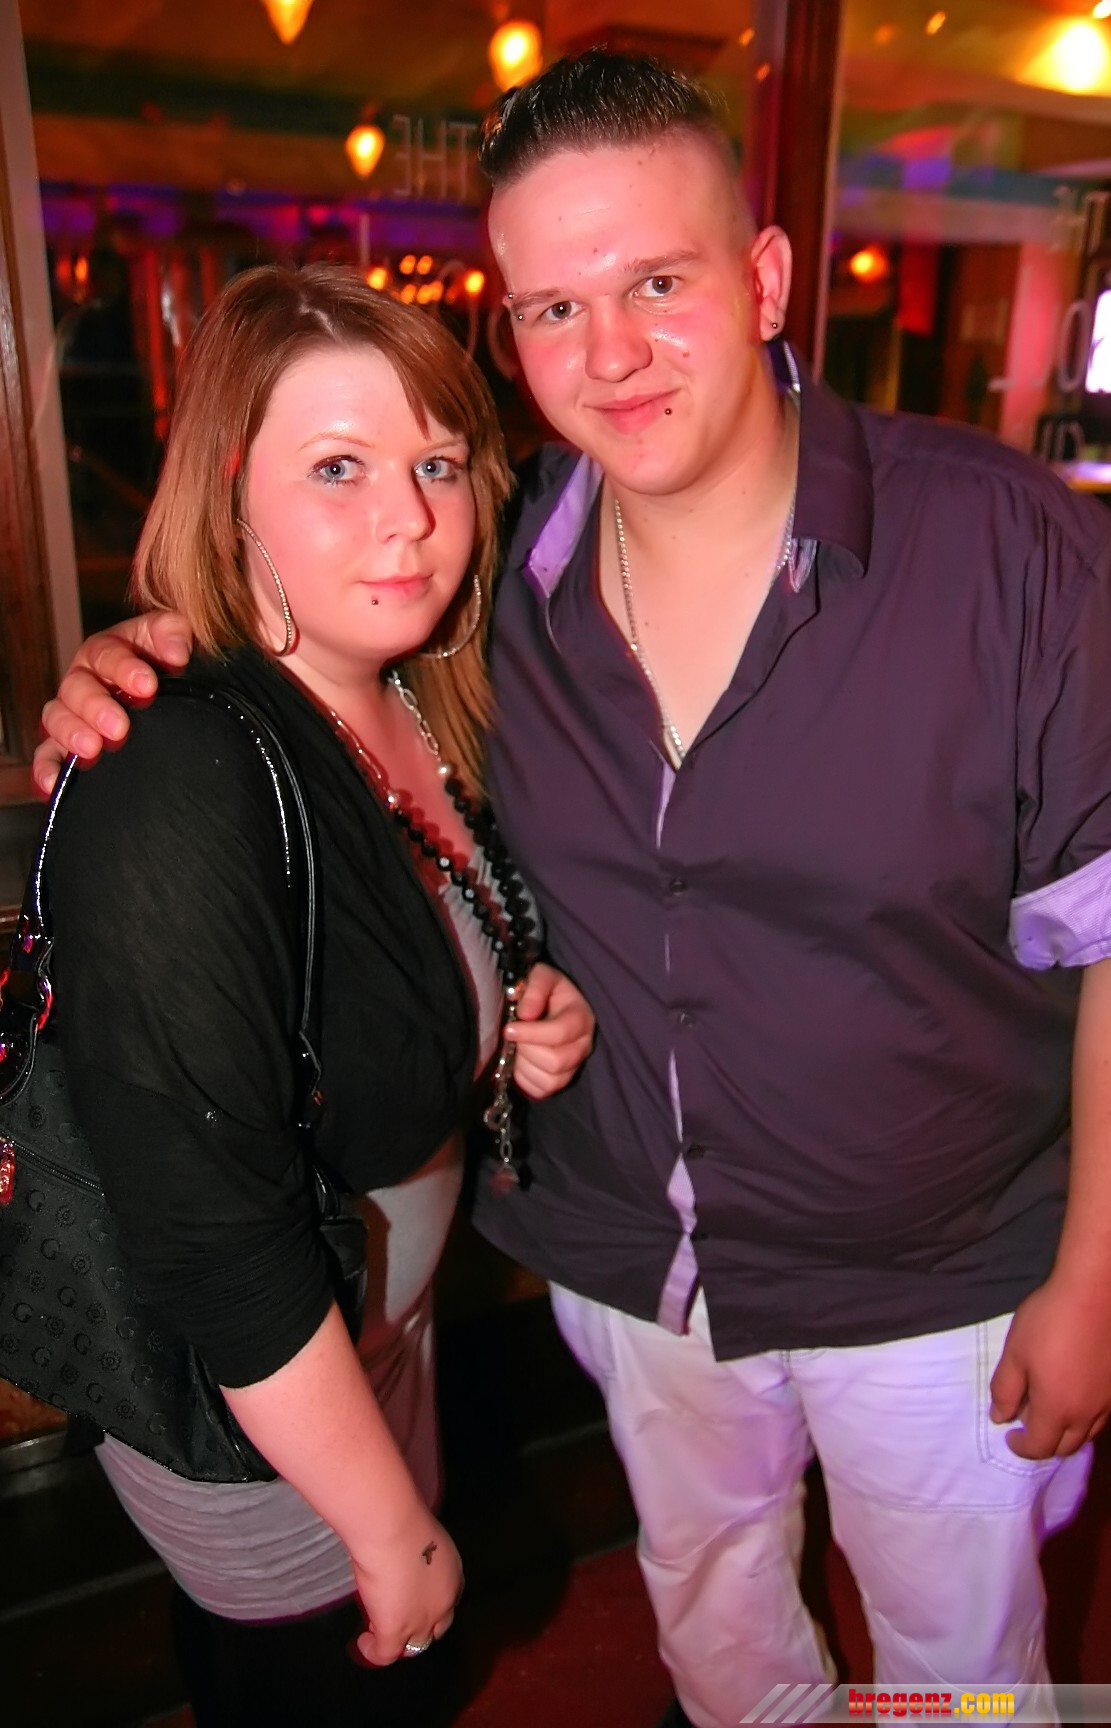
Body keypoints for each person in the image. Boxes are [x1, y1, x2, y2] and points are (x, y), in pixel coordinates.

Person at [35, 53, 1111, 1728]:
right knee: (719, 1635)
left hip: (936, 1287)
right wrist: (144, 655)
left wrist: (1102, 1274)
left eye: (657, 283)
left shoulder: (1014, 550)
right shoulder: (489, 571)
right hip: (634, 1271)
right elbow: (311, 596)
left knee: (968, 1681)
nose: (609, 353)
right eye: (555, 307)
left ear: (763, 279)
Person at [26, 261, 594, 1728]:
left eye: (437, 464)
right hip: (268, 1413)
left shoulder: (407, 696)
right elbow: (211, 1231)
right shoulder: (177, 766)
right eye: (338, 467)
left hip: (388, 1338)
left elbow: (394, 976)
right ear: (232, 491)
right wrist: (385, 1524)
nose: (408, 518)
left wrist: (520, 1020)